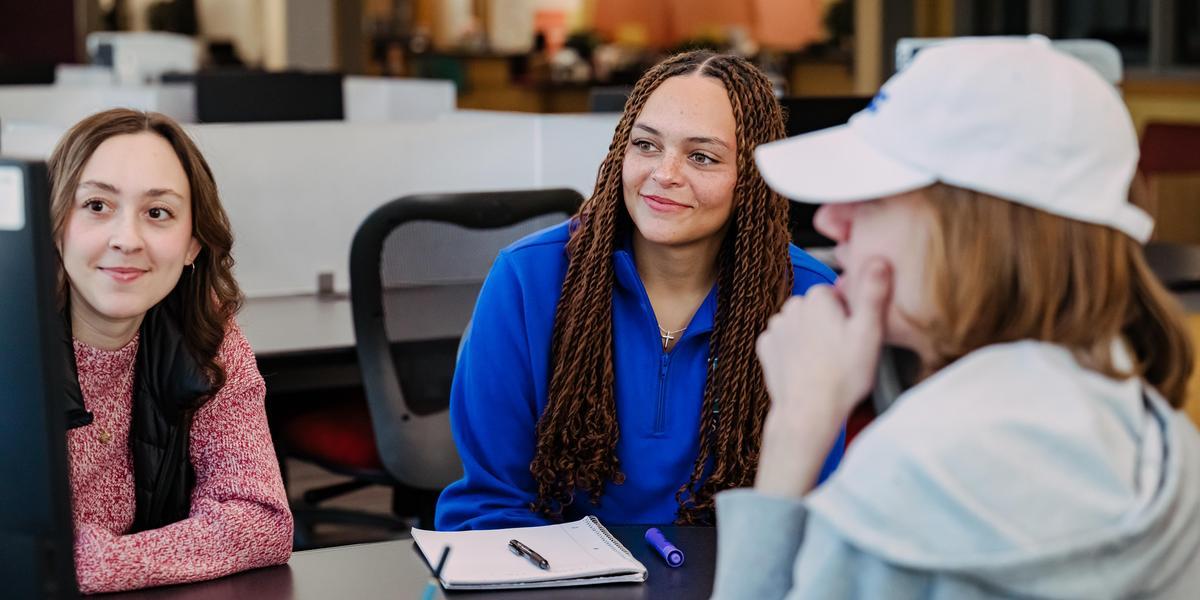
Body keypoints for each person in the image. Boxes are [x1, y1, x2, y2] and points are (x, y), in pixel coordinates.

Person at [710, 37, 1200, 599]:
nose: (830, 219)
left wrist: (796, 428)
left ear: (978, 236)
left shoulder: (907, 477)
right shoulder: (1168, 448)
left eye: (873, 197)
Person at [436, 50, 843, 530]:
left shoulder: (807, 300)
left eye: (701, 157)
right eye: (646, 146)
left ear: (750, 179)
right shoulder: (528, 279)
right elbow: (492, 503)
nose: (665, 174)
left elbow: (809, 510)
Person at [51, 109, 293, 594]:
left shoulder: (202, 334)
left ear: (193, 245)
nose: (126, 239)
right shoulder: (12, 346)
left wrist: (100, 563)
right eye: (97, 205)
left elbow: (260, 519)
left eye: (157, 213)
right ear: (56, 223)